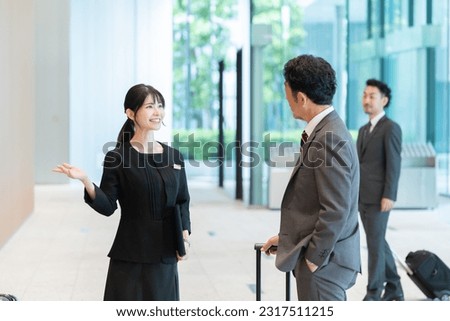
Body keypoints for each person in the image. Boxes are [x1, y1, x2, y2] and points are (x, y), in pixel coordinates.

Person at [53, 84, 191, 301]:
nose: (158, 112)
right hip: (131, 254)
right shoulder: (118, 157)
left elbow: (182, 200)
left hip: (165, 254)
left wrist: (183, 236)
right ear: (130, 113)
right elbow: (108, 206)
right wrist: (86, 181)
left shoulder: (174, 156)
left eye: (160, 106)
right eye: (150, 106)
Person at [261, 54, 361, 301]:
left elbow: (335, 210)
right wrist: (290, 241)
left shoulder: (328, 138)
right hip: (327, 259)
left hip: (325, 266)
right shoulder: (328, 129)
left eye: (288, 98)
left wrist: (314, 259)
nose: (288, 103)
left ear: (302, 98)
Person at [357, 79, 403, 301]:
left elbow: (394, 164)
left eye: (372, 96)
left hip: (379, 198)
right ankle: (395, 288)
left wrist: (389, 194)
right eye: (365, 95)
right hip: (362, 196)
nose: (366, 100)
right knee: (379, 241)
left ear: (384, 100)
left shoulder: (391, 128)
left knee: (374, 246)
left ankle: (374, 293)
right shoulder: (364, 129)